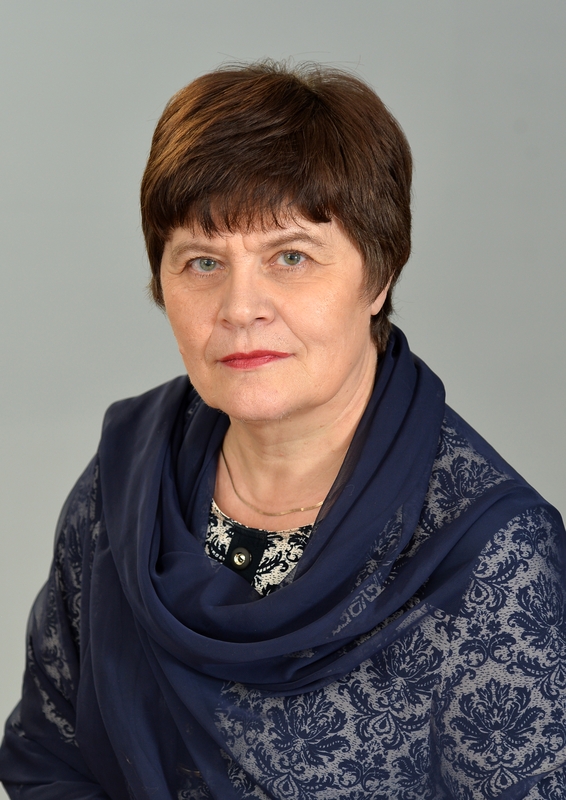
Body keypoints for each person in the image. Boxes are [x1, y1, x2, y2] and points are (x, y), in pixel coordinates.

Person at [0, 61, 565, 800]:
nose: (241, 307)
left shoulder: (491, 552)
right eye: (202, 262)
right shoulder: (124, 484)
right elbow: (48, 759)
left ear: (378, 275)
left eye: (290, 257)